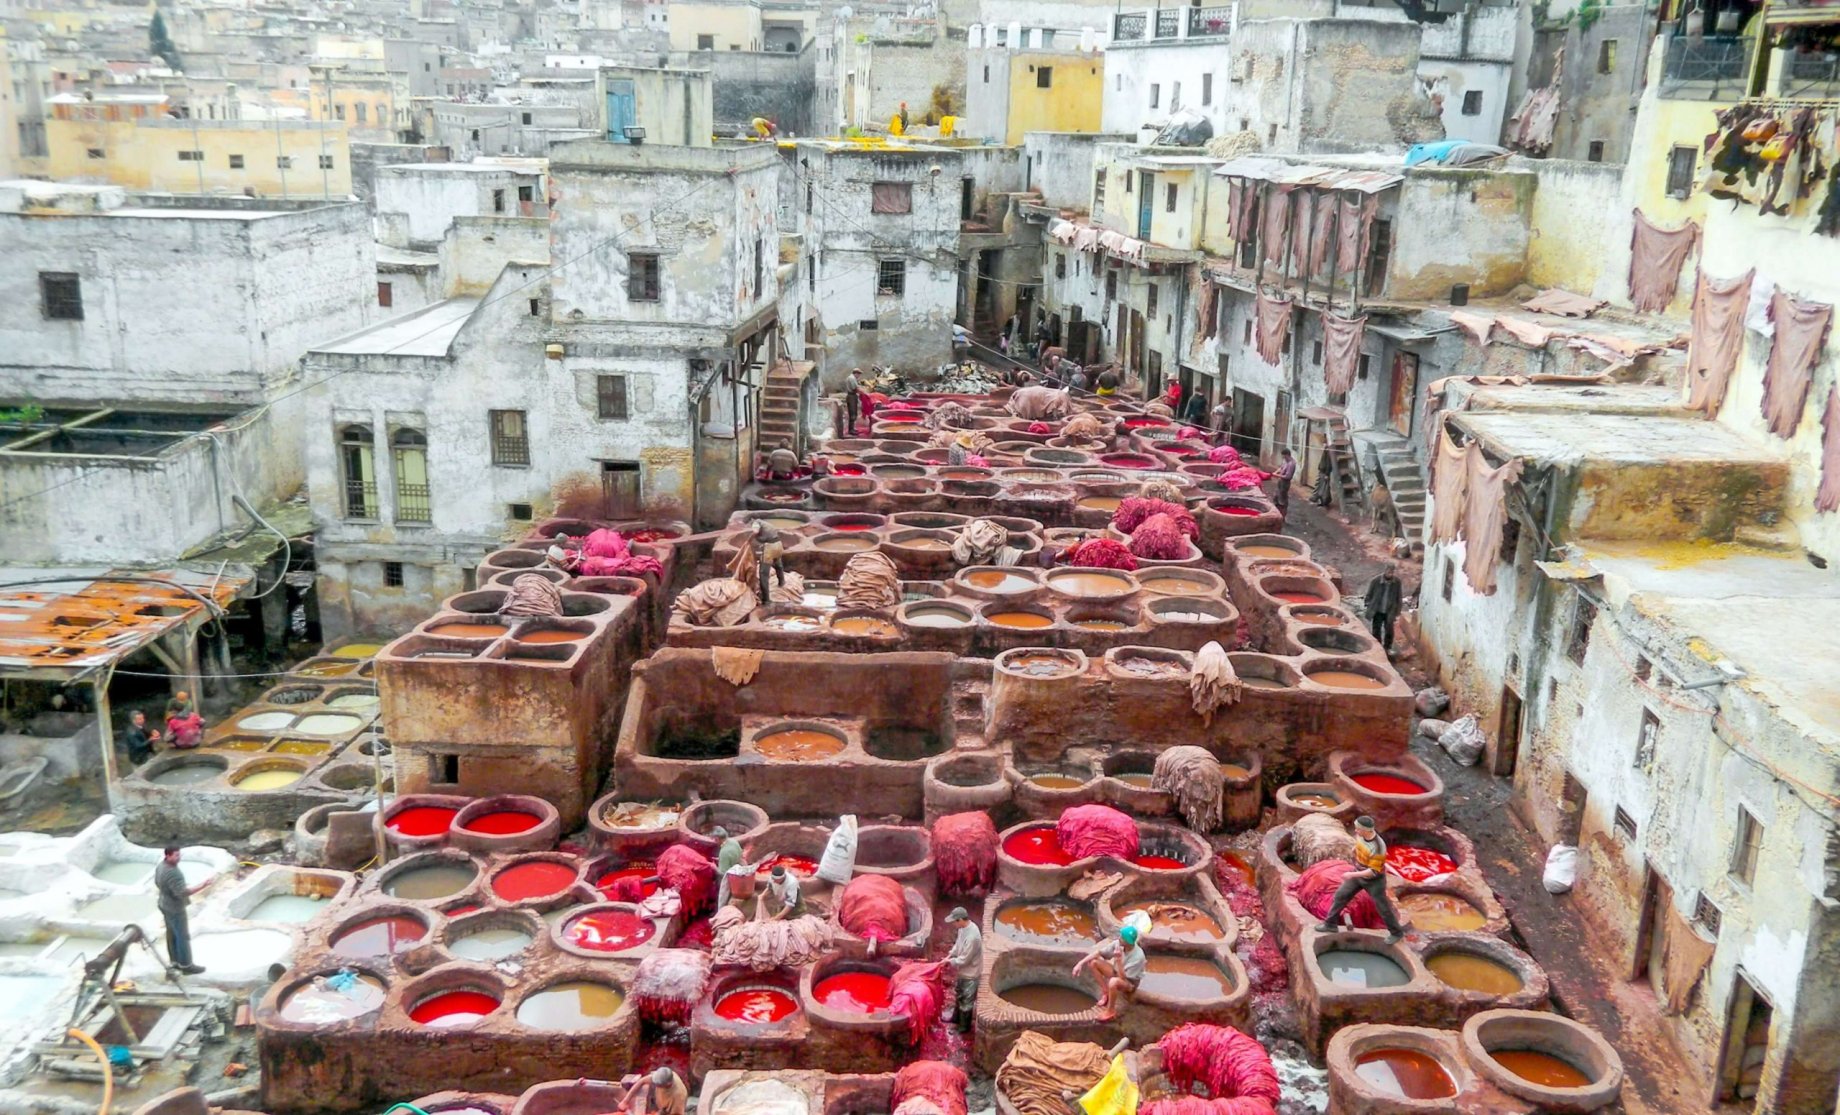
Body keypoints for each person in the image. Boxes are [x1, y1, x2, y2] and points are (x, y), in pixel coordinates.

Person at [1317, 815, 1407, 943]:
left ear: (1367, 830)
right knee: (1340, 895)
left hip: (1374, 881)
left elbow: (1372, 872)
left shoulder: (1378, 847)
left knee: (1382, 907)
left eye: (1358, 829)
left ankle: (1396, 933)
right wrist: (1355, 851)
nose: (1356, 831)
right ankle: (1330, 924)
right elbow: (1358, 844)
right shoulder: (1361, 836)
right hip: (1358, 872)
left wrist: (1351, 875)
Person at [1074, 924, 1144, 1021]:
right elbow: (1099, 952)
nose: (1120, 939)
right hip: (1116, 972)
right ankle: (1105, 992)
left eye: (1122, 938)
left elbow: (1123, 978)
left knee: (1113, 982)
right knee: (1094, 963)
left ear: (1128, 942)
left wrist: (1118, 961)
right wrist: (1080, 963)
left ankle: (1110, 1010)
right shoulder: (1118, 944)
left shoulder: (1138, 957)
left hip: (1129, 982)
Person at [155, 846, 207, 974]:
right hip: (175, 908)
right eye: (176, 855)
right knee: (182, 936)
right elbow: (182, 893)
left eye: (179, 855)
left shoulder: (161, 866)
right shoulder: (173, 872)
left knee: (171, 934)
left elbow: (157, 882)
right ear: (168, 856)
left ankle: (175, 961)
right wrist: (203, 885)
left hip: (164, 903)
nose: (179, 858)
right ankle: (186, 965)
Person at [943, 906, 982, 1032]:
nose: (953, 924)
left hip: (971, 973)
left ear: (960, 920)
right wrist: (950, 954)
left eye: (954, 921)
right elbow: (957, 944)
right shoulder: (962, 929)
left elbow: (965, 959)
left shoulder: (973, 937)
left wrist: (950, 962)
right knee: (959, 994)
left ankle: (964, 1027)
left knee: (966, 999)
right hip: (963, 971)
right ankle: (955, 1018)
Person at [1363, 563, 1403, 654]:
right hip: (1378, 610)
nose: (1390, 574)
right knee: (1376, 629)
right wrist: (1368, 604)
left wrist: (1398, 611)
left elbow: (1399, 597)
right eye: (1388, 571)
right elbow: (1369, 594)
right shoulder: (1375, 581)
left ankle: (1387, 647)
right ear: (1384, 571)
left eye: (1392, 572)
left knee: (1389, 629)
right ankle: (1377, 648)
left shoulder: (1397, 582)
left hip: (1389, 610)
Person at [615, 1067, 688, 1115]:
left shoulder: (678, 1096)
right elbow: (641, 1081)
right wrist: (625, 1101)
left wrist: (659, 1113)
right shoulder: (661, 1076)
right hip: (662, 1103)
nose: (656, 1086)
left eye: (659, 1086)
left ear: (667, 1084)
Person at [751, 521, 788, 604]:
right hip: (778, 545)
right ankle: (781, 582)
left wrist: (752, 537)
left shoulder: (756, 524)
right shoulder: (768, 524)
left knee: (763, 573)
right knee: (778, 564)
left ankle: (766, 599)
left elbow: (756, 532)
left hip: (770, 547)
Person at [1271, 448, 1298, 522]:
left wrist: (1277, 475)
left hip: (1285, 483)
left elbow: (1288, 476)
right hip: (1280, 481)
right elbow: (1281, 467)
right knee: (1276, 497)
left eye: (1284, 456)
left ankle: (1282, 517)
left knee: (1282, 499)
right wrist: (1276, 472)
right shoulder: (1285, 461)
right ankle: (1276, 514)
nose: (1283, 458)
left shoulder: (1291, 464)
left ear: (1287, 455)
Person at [843, 368, 863, 435]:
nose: (859, 376)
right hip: (851, 396)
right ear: (856, 373)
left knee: (853, 412)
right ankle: (851, 430)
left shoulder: (851, 378)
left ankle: (852, 428)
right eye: (859, 374)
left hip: (852, 396)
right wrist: (863, 393)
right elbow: (855, 388)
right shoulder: (852, 378)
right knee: (852, 413)